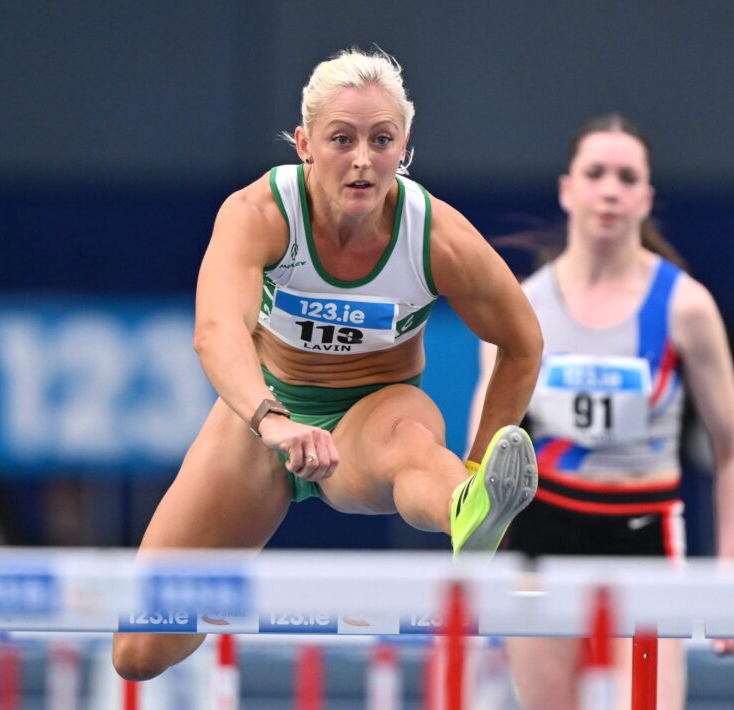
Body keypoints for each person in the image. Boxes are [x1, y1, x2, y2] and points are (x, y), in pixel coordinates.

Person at [112, 48, 542, 681]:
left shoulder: (436, 237)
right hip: (264, 418)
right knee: (139, 651)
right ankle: (212, 590)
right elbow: (215, 332)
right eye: (342, 139)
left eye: (381, 140)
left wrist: (480, 464)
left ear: (404, 148)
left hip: (375, 413)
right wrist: (271, 420)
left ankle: (467, 506)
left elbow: (523, 342)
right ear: (304, 144)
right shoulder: (259, 214)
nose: (363, 159)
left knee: (411, 443)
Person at [469, 115, 734, 710]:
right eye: (595, 173)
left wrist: (730, 581)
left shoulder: (686, 307)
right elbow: (482, 456)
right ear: (567, 189)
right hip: (542, 533)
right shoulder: (519, 309)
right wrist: (475, 559)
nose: (609, 190)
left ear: (645, 199)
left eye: (626, 178)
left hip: (643, 534)